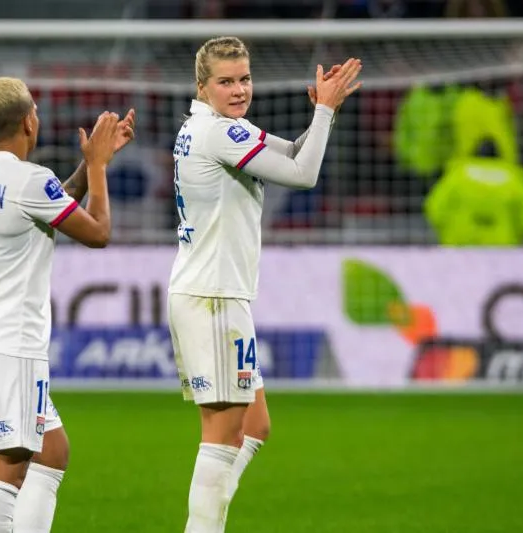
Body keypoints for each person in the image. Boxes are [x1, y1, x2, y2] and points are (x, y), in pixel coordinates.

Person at [167, 36, 362, 533]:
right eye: (226, 81)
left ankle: (208, 520)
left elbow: (293, 152)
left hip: (219, 293)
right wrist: (326, 114)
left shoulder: (217, 128)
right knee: (221, 433)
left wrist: (323, 111)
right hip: (212, 295)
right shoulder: (219, 135)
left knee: (255, 425)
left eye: (245, 79)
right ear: (202, 86)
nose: (239, 90)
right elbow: (303, 174)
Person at [0, 76, 135, 533]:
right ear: (31, 121)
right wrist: (99, 168)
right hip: (9, 345)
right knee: (5, 471)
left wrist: (86, 168)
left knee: (51, 450)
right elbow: (99, 233)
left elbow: (49, 202)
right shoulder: (30, 180)